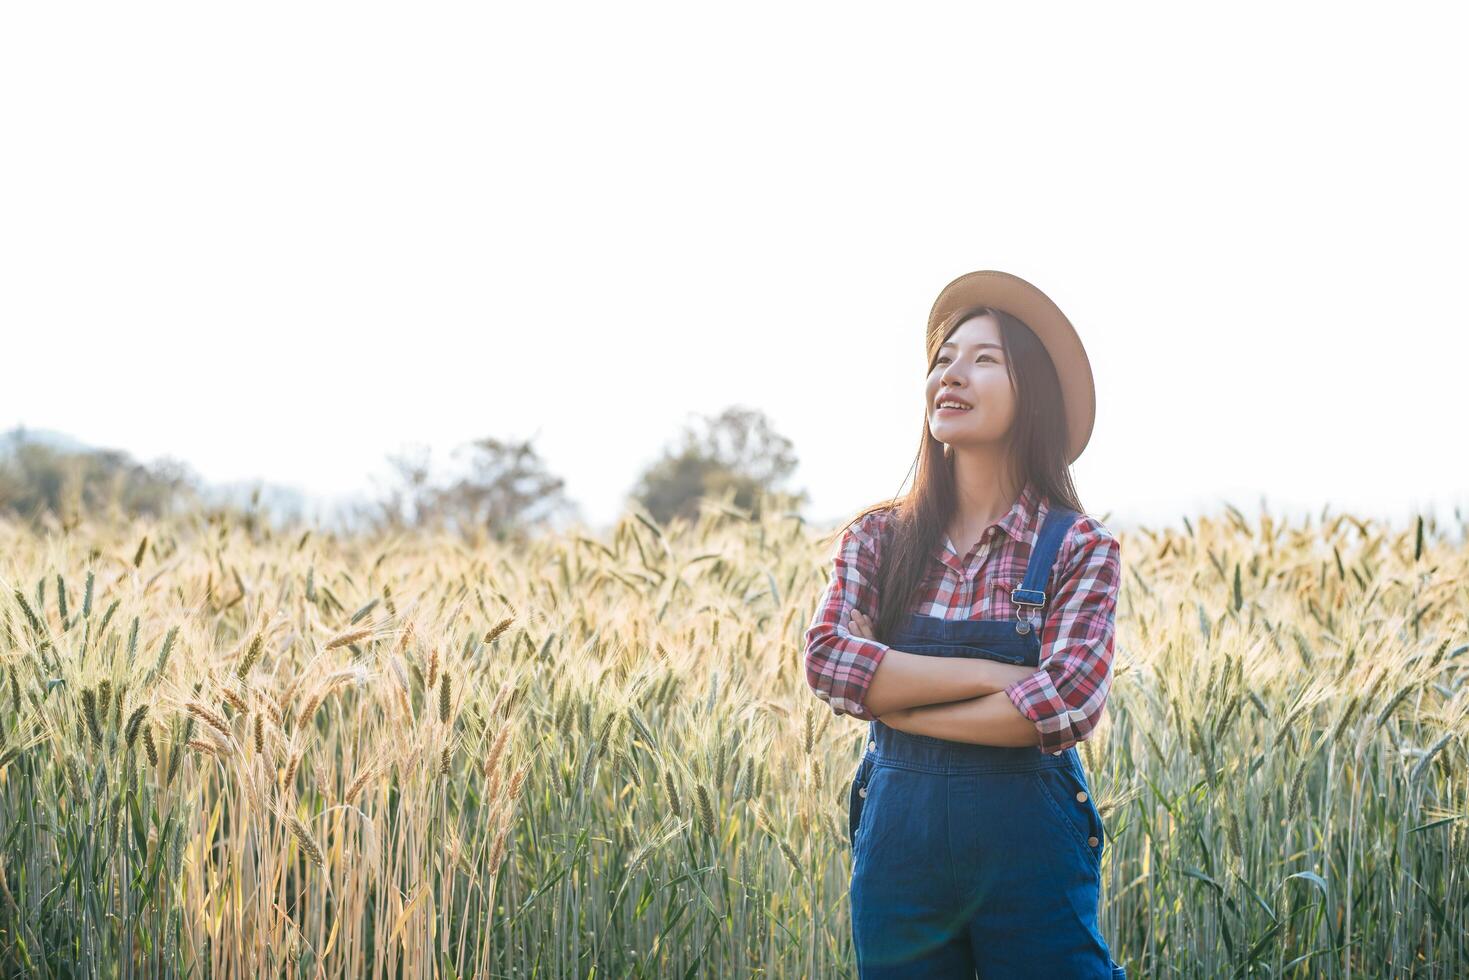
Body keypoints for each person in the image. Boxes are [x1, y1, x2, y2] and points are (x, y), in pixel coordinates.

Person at [803, 270, 1127, 979]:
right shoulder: (877, 541)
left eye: (983, 359)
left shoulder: (1077, 548)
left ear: (1031, 392)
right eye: (943, 359)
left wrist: (901, 709)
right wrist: (988, 676)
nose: (951, 374)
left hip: (1030, 862)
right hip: (899, 853)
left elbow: (1063, 700)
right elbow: (829, 662)